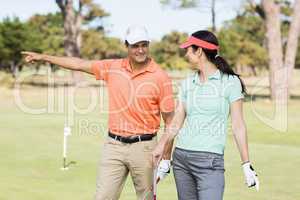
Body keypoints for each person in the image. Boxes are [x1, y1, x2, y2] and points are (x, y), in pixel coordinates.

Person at [22, 25, 175, 200]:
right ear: (126, 46)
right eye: (135, 45)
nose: (140, 50)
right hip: (114, 146)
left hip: (145, 148)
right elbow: (79, 64)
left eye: (144, 45)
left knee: (146, 198)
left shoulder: (160, 76)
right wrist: (44, 57)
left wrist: (166, 159)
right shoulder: (113, 67)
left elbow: (170, 121)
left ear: (148, 45)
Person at [151, 30, 259, 200]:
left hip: (210, 162)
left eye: (189, 49)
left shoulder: (230, 82)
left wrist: (246, 164)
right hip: (182, 160)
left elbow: (238, 125)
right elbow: (176, 122)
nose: (186, 54)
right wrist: (162, 149)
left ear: (199, 51)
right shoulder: (187, 83)